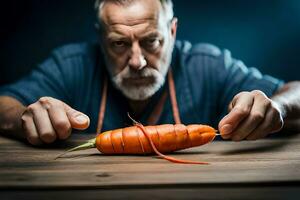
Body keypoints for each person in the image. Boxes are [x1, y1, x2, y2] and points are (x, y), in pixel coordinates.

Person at [0, 0, 299, 146]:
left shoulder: (207, 65)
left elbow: (295, 90)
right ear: (100, 39)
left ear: (172, 31)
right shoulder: (72, 65)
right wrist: (25, 117)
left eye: (151, 41)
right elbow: (5, 104)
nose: (137, 61)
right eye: (118, 43)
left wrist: (278, 106)